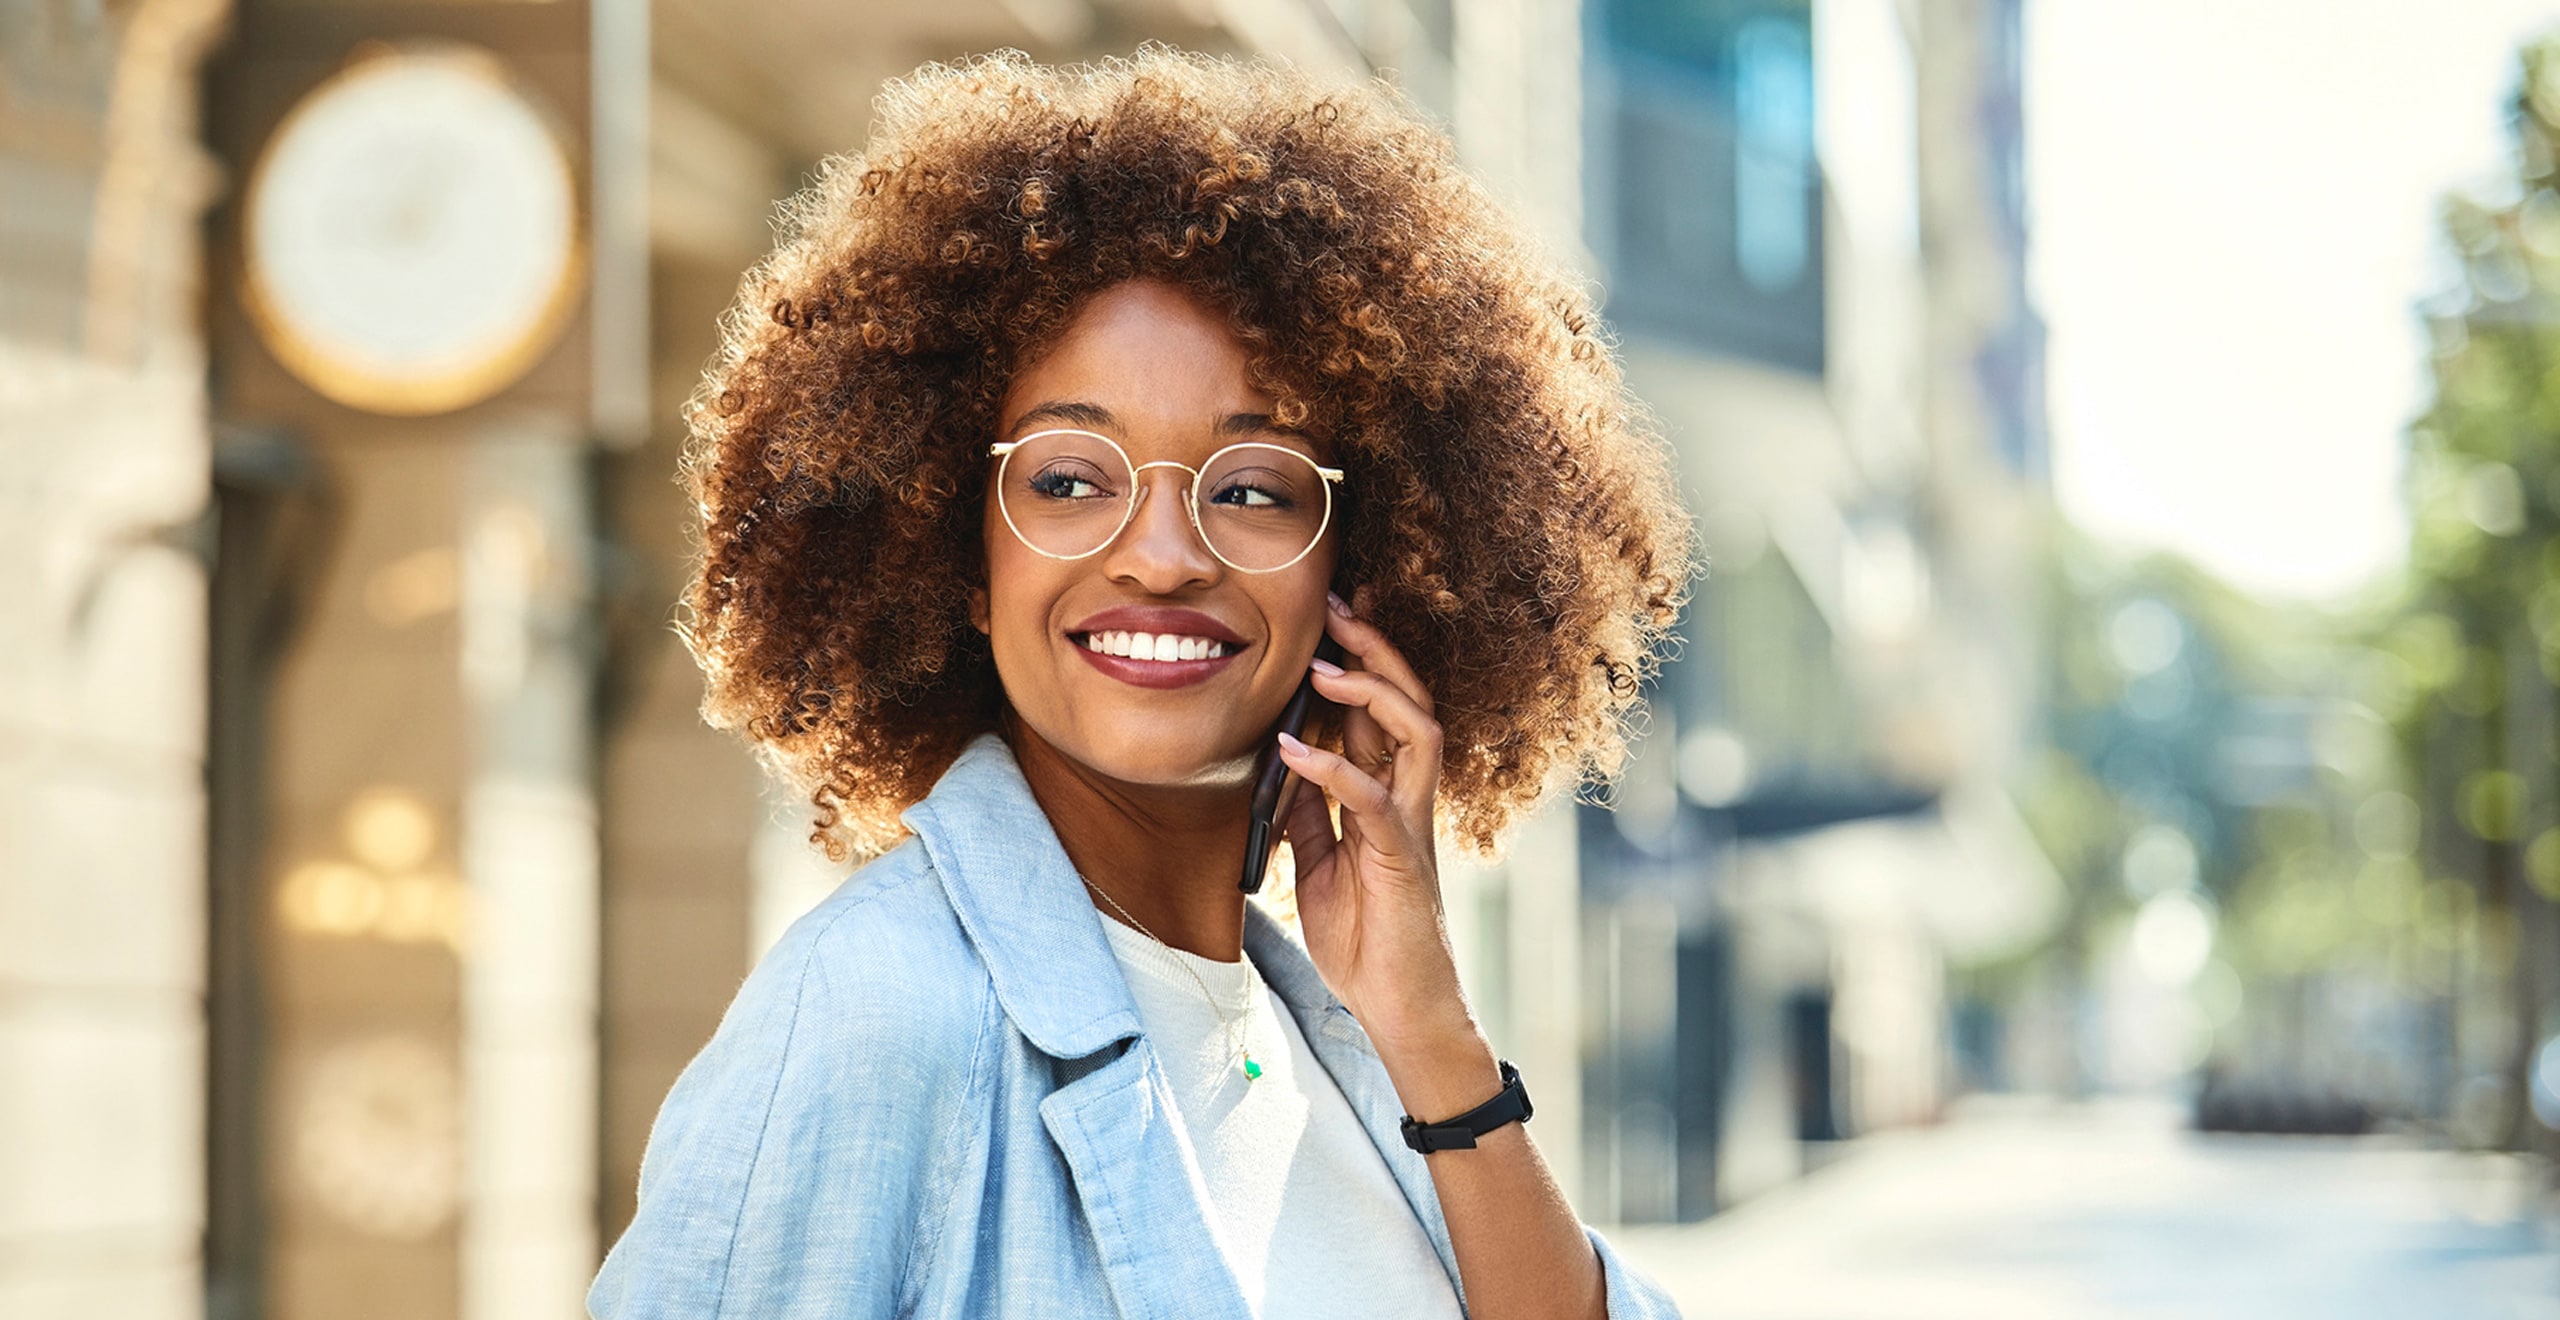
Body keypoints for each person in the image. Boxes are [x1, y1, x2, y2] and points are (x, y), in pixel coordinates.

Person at [592, 47, 1692, 1320]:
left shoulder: (1328, 1037)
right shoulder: (878, 1011)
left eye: (1250, 489)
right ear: (962, 551)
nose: (1162, 556)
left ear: (1365, 569)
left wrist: (1431, 1029)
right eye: (1067, 480)